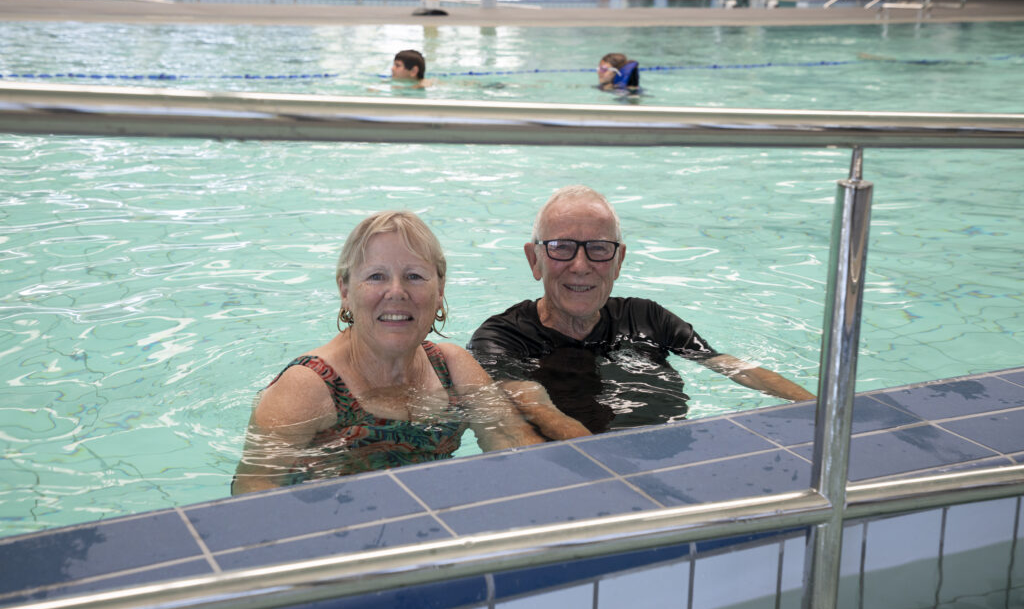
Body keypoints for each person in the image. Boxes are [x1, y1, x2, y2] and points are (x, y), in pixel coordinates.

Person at [232, 211, 584, 495]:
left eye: (414, 276)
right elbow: (252, 494)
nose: (396, 292)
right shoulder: (307, 389)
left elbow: (514, 447)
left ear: (440, 287)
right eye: (376, 277)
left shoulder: (452, 368)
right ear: (344, 289)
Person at [469, 185, 816, 436]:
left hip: (670, 449)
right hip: (573, 469)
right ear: (535, 260)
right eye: (561, 248)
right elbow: (539, 410)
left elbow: (733, 366)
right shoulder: (502, 338)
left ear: (618, 261)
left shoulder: (647, 318)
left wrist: (819, 410)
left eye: (599, 249)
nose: (580, 265)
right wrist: (614, 471)